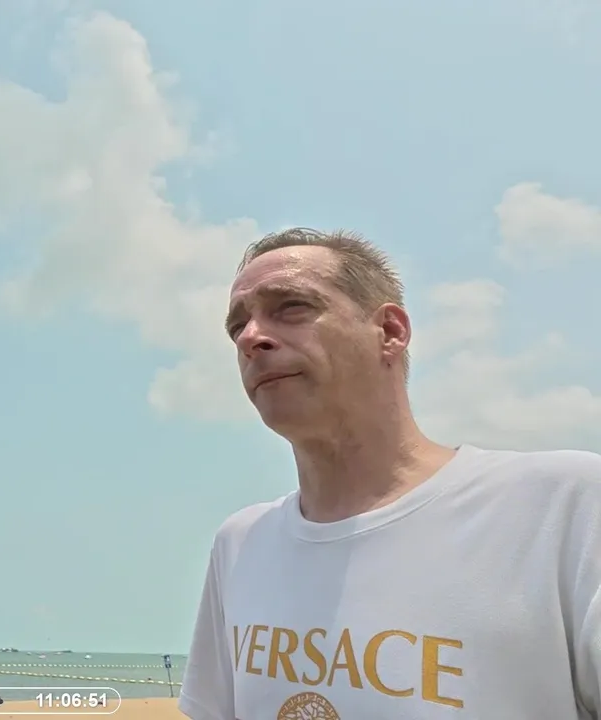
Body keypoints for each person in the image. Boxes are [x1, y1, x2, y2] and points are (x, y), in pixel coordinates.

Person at [178, 229, 600, 720]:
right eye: (237, 327)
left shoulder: (563, 507)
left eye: (291, 307)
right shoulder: (240, 544)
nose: (251, 337)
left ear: (390, 332)